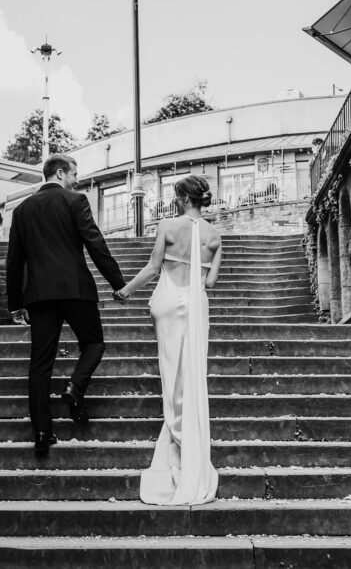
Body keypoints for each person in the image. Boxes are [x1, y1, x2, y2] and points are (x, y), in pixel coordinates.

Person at [6, 153, 127, 456]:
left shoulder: (22, 210)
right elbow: (95, 242)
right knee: (94, 342)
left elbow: (14, 260)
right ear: (60, 173)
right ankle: (75, 388)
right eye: (74, 174)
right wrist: (118, 283)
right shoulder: (76, 201)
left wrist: (15, 304)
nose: (77, 179)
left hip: (39, 295)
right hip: (76, 289)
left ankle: (43, 432)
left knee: (40, 363)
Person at [115, 175, 221, 505]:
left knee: (171, 372)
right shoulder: (215, 235)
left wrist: (125, 291)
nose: (174, 201)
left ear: (183, 198)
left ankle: (176, 438)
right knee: (191, 375)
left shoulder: (167, 226)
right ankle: (187, 444)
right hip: (196, 306)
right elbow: (212, 282)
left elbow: (152, 267)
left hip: (168, 299)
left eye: (176, 196)